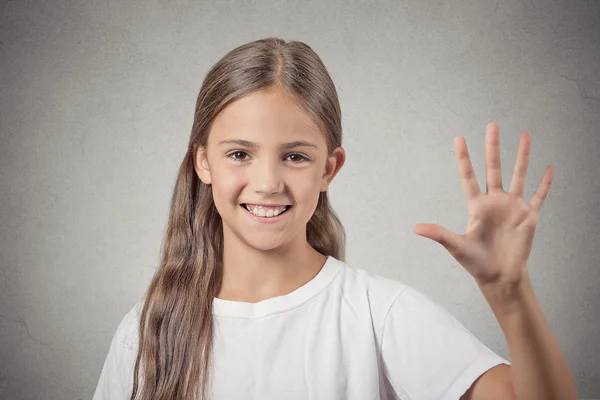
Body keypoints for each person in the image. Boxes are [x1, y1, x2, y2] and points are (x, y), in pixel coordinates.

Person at [93, 37, 578, 400]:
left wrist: (512, 296)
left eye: (295, 157)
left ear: (330, 168)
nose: (267, 183)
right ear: (203, 163)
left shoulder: (379, 314)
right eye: (239, 153)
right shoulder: (147, 331)